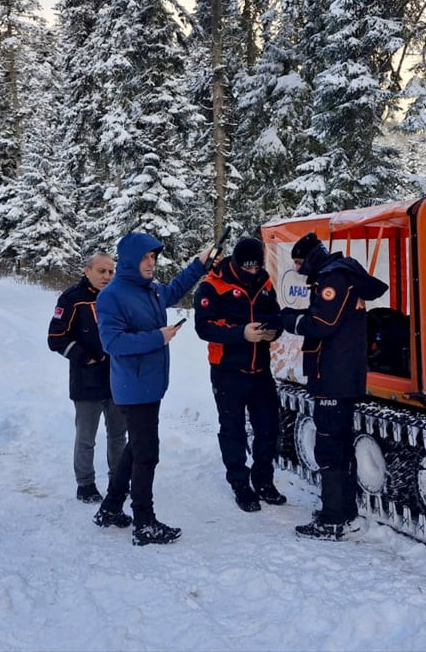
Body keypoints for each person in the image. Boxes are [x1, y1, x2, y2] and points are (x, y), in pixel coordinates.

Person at [93, 232, 212, 546]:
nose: (151, 263)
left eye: (154, 257)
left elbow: (175, 289)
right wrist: (158, 337)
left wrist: (200, 265)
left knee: (136, 446)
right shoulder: (112, 296)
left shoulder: (151, 290)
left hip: (150, 383)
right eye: (145, 257)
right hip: (132, 386)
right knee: (147, 453)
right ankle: (144, 522)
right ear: (131, 259)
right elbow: (112, 342)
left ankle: (110, 508)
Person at [280, 231, 388, 541]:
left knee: (330, 447)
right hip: (339, 373)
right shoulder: (338, 275)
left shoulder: (333, 279)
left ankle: (332, 520)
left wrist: (286, 320)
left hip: (333, 375)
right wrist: (294, 315)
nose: (298, 268)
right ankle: (343, 511)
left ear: (311, 257)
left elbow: (322, 324)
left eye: (299, 262)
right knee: (339, 445)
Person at [193, 237, 287, 512]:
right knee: (233, 430)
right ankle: (239, 483)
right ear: (235, 263)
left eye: (256, 267)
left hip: (260, 369)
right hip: (228, 370)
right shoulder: (212, 285)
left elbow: (276, 316)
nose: (252, 271)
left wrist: (273, 332)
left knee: (268, 428)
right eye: (247, 267)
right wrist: (241, 333)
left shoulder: (264, 282)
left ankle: (264, 480)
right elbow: (204, 327)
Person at [47, 251, 126, 504]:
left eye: (111, 272)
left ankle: (118, 481)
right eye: (101, 271)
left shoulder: (118, 296)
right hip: (86, 381)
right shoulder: (72, 298)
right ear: (87, 271)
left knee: (118, 436)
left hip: (117, 380)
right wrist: (86, 357)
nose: (107, 276)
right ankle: (85, 484)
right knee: (86, 437)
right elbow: (55, 338)